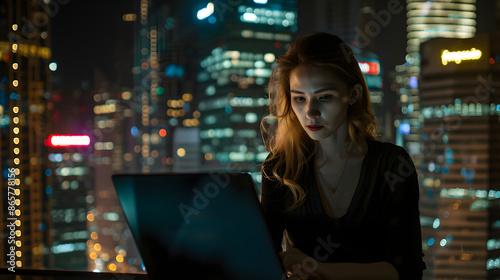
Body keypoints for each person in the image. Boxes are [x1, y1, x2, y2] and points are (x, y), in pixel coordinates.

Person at [259, 32, 426, 280]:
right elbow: (265, 262)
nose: (310, 112)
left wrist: (318, 268)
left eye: (324, 97)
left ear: (354, 94)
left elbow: (407, 271)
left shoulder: (391, 165)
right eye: (299, 99)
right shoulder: (280, 168)